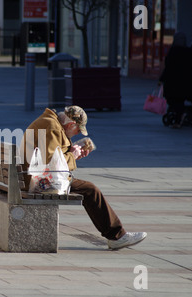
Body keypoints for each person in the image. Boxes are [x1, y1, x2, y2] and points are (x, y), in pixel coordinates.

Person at [20, 106, 147, 250]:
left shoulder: (51, 122)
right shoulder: (52, 126)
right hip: (39, 182)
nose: (77, 133)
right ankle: (116, 236)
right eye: (78, 130)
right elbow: (50, 163)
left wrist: (72, 153)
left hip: (32, 177)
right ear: (70, 125)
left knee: (88, 189)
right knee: (90, 190)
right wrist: (72, 156)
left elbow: (53, 156)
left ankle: (115, 235)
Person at [159, 32, 192, 128]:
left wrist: (162, 79)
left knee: (172, 100)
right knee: (180, 99)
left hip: (172, 81)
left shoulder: (173, 51)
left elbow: (168, 67)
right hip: (185, 81)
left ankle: (179, 118)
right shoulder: (189, 52)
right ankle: (179, 118)